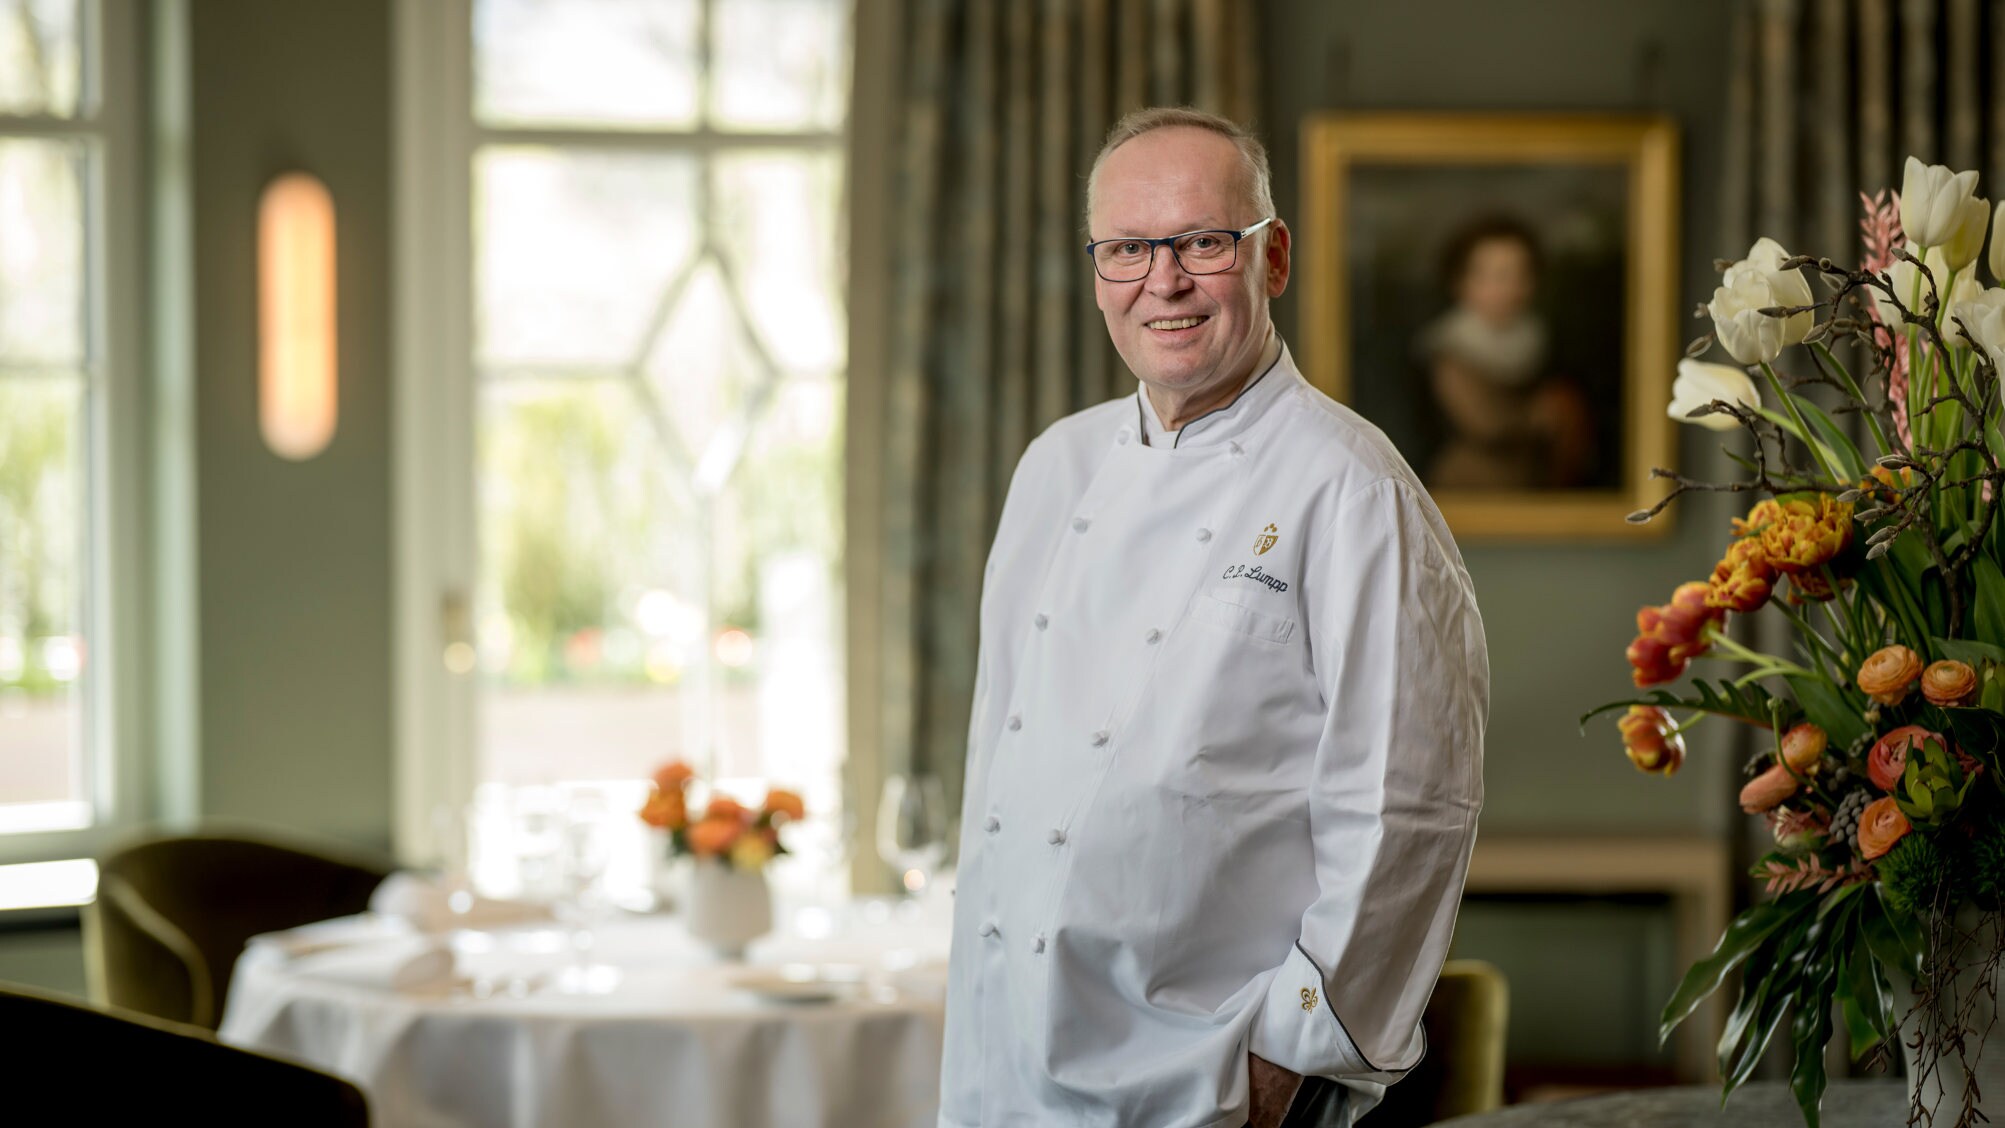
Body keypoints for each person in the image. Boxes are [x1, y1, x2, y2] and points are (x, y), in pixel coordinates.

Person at [937, 106, 1490, 1128]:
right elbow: (997, 765)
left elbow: (1406, 813)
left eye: (1200, 242)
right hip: (1004, 1060)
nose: (1164, 281)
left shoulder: (1354, 491)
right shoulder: (1055, 467)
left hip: (1207, 1080)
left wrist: (1280, 1069)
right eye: (1127, 249)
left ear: (1272, 257)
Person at [1413, 215, 1593, 490]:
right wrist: (1540, 416)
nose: (1510, 288)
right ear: (1461, 283)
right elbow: (1485, 425)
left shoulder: (1539, 338)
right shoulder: (1450, 348)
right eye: (1497, 277)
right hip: (1470, 482)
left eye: (1520, 275)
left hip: (1532, 481)